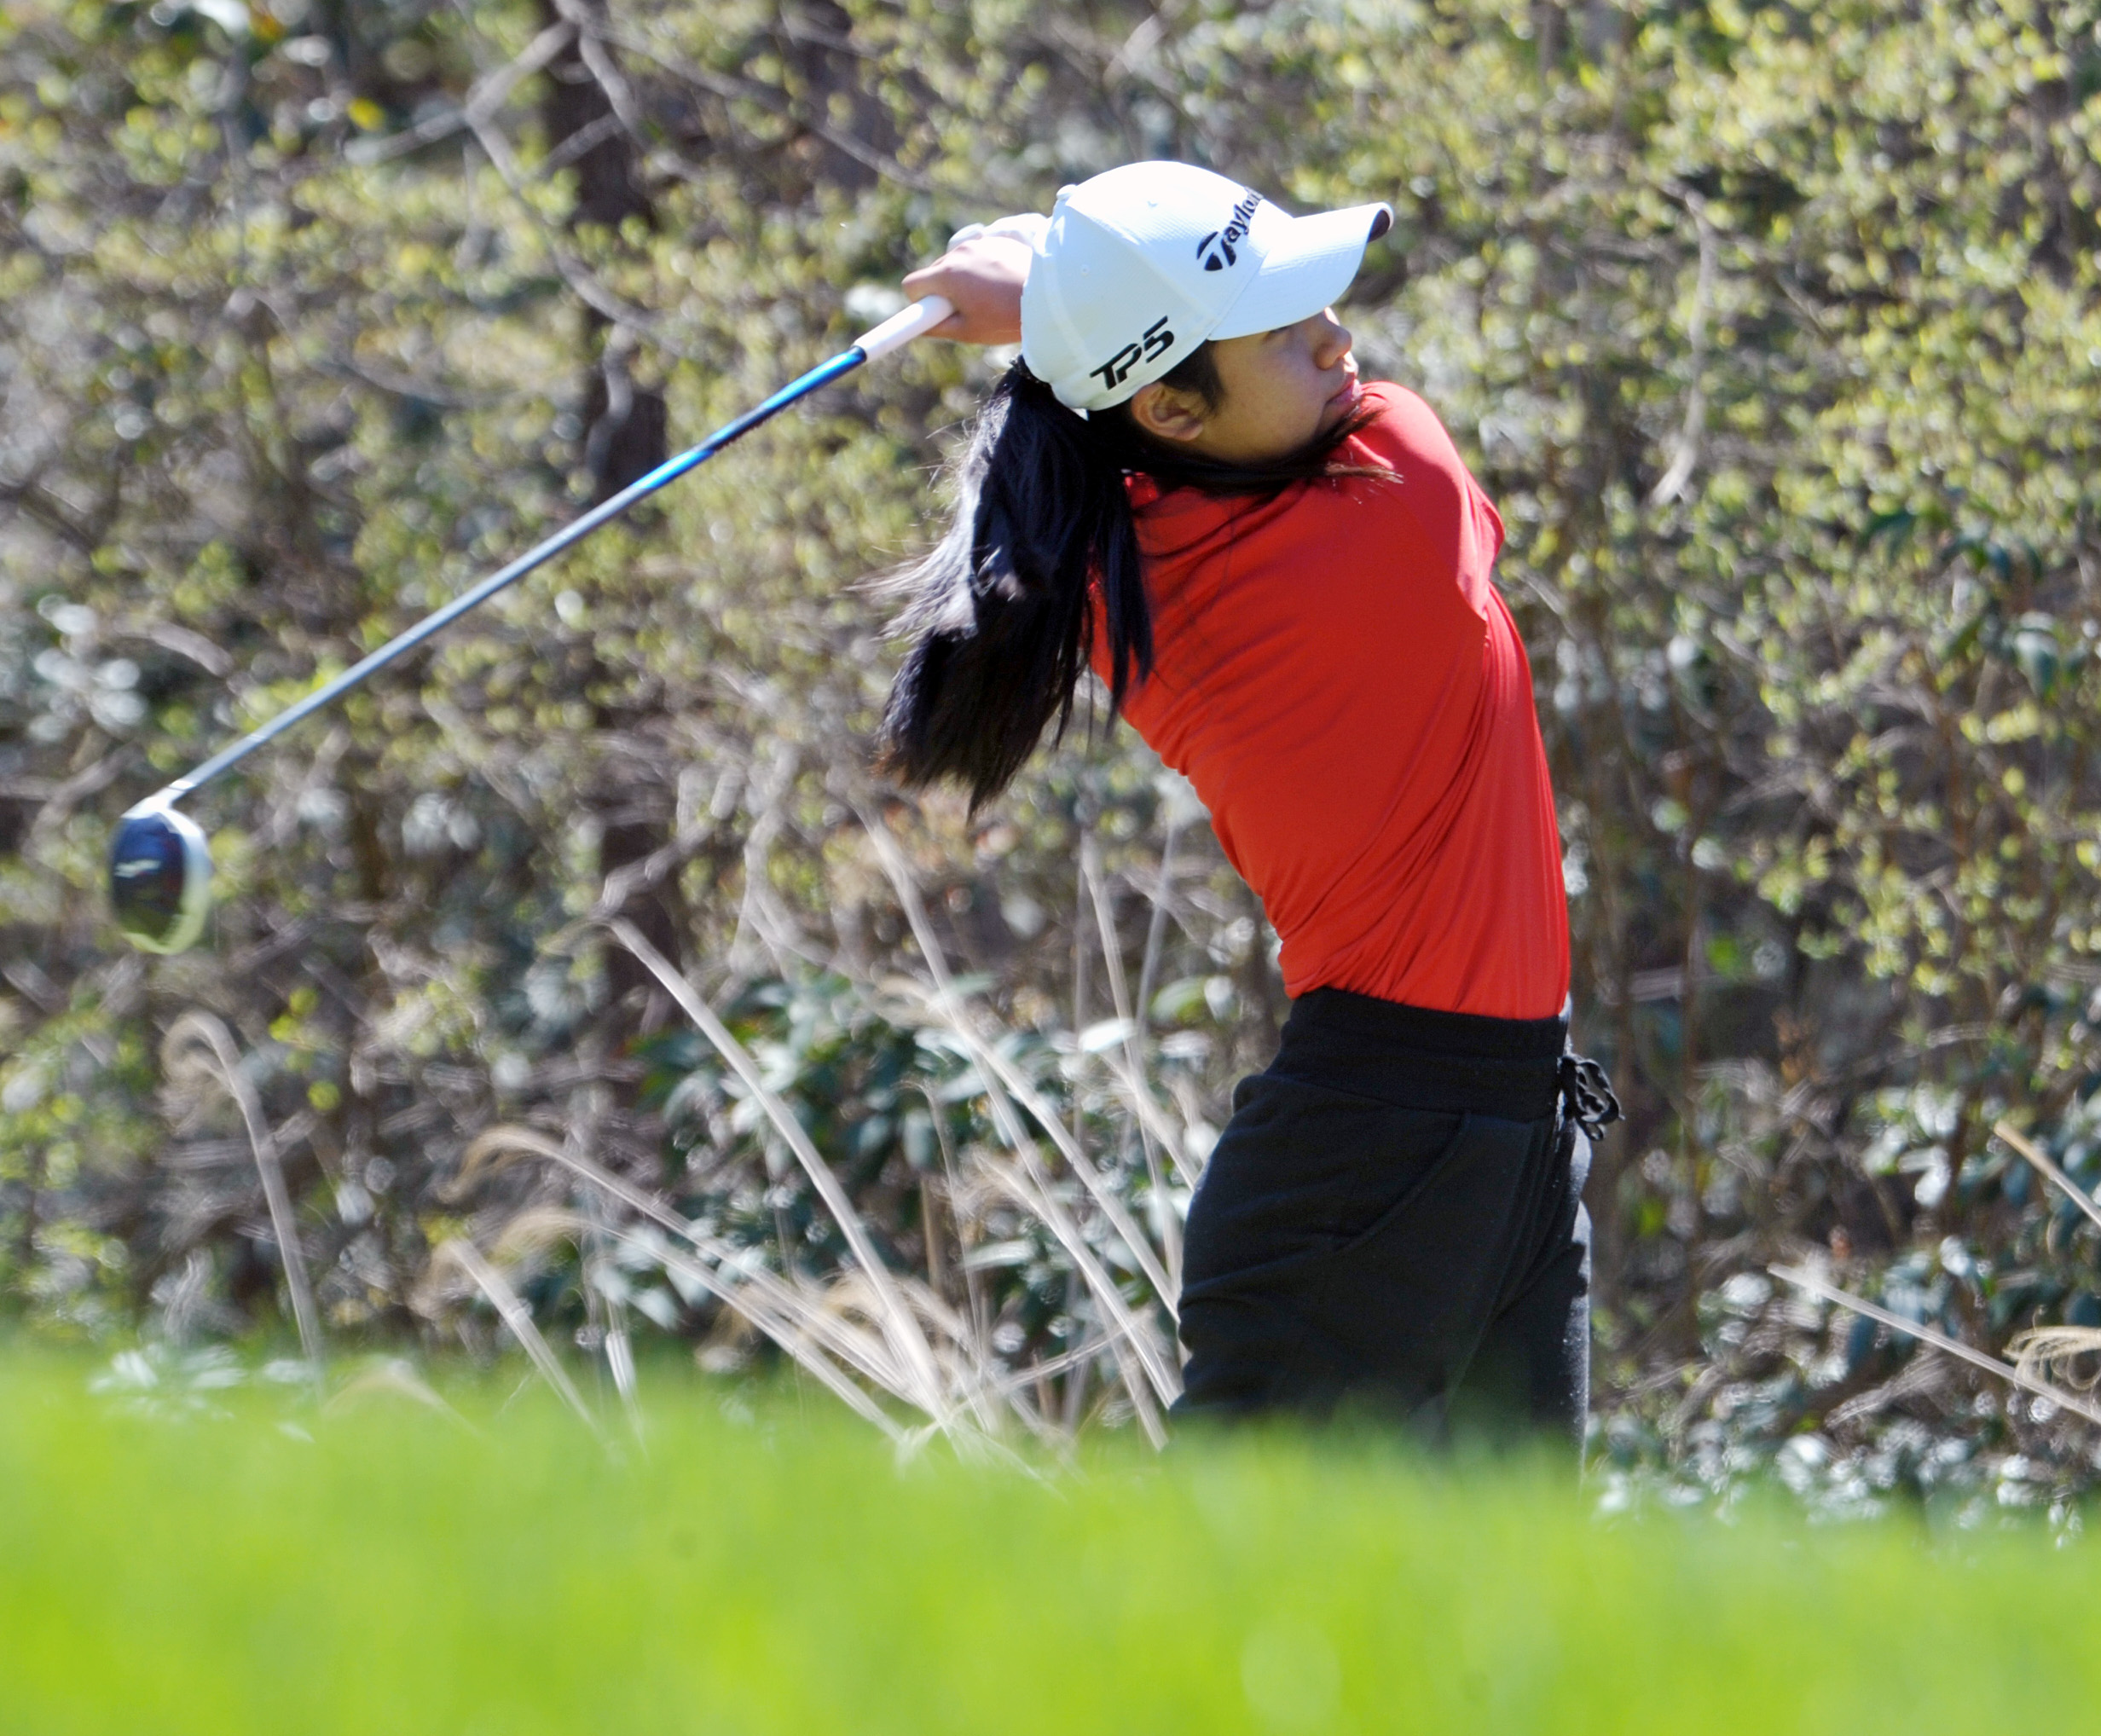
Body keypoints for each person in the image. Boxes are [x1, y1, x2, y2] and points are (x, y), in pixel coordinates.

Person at [882, 161, 1618, 1441]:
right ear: (1168, 407)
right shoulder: (1399, 494)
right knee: (1234, 1573)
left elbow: (1098, 407)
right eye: (1284, 328)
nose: (1337, 340)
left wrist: (1066, 313)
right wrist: (1042, 300)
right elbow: (1380, 422)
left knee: (1495, 1582)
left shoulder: (1116, 564)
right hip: (1379, 1151)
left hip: (1493, 1136)